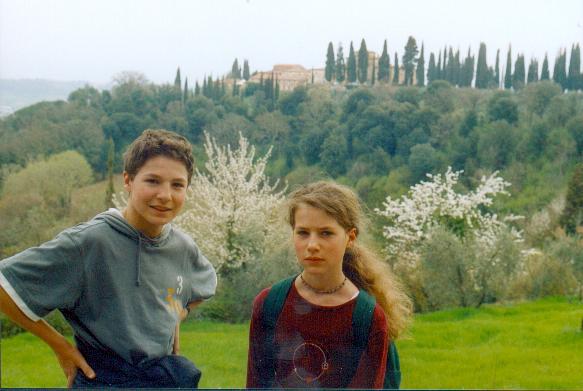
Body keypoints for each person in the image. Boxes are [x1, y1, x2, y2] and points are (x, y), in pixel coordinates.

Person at [0, 129, 217, 388]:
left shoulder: (182, 246)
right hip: (102, 379)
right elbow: (4, 285)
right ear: (128, 180)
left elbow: (202, 287)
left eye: (177, 185)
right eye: (152, 181)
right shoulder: (90, 242)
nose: (165, 195)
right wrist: (61, 347)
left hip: (162, 379)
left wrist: (174, 317)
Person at [246, 181, 412, 389]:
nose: (312, 245)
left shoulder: (367, 317)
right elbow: (256, 384)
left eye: (326, 233)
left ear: (350, 238)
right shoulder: (269, 304)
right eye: (303, 233)